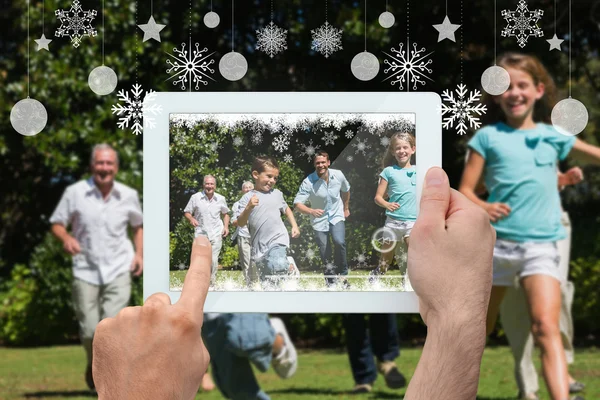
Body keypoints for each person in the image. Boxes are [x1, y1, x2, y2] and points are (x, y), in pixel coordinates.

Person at [92, 167, 496, 400]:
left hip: (266, 248)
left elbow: (287, 209)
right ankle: (270, 335)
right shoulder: (227, 200)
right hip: (228, 255)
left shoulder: (281, 192)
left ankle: (272, 333)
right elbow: (245, 220)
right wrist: (455, 319)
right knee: (228, 356)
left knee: (241, 313)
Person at [459, 52, 600, 400]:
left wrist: (562, 180)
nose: (514, 93)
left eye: (522, 85)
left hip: (542, 247)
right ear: (495, 94)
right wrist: (483, 204)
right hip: (498, 249)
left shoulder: (554, 136)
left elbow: (590, 156)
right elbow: (464, 191)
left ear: (538, 91)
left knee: (546, 328)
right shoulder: (487, 139)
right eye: (505, 86)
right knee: (480, 329)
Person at [49, 143, 143, 391]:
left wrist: (140, 255)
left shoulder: (128, 195)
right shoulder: (75, 192)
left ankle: (108, 381)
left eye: (109, 163)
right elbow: (57, 223)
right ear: (92, 166)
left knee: (110, 328)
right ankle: (93, 363)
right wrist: (66, 238)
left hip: (119, 267)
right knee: (90, 329)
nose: (104, 168)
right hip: (85, 268)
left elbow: (138, 226)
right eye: (100, 163)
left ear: (116, 167)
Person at [500, 167, 585, 400]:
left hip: (551, 223)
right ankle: (528, 387)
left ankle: (562, 372)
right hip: (509, 225)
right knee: (516, 303)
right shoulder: (491, 140)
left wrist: (563, 179)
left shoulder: (543, 138)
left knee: (556, 295)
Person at [237, 156, 300, 287]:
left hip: (278, 239)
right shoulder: (247, 198)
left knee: (276, 264)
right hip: (259, 246)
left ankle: (287, 265)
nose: (272, 180)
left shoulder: (277, 194)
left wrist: (294, 225)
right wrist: (249, 207)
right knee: (268, 284)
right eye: (269, 176)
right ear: (255, 174)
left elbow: (286, 209)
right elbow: (241, 223)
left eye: (275, 178)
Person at [202, 313, 298, 399]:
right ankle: (268, 332)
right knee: (237, 390)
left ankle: (278, 345)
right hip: (209, 318)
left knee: (250, 338)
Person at [293, 151, 351, 287]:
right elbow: (297, 204)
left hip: (336, 215)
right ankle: (330, 281)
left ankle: (342, 276)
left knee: (339, 241)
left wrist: (346, 208)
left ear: (328, 163)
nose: (321, 165)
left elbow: (346, 190)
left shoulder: (338, 175)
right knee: (325, 251)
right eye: (318, 163)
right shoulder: (309, 182)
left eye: (323, 162)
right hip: (319, 220)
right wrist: (311, 211)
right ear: (314, 164)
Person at [370, 132, 417, 288]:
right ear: (392, 151)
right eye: (398, 148)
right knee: (386, 261)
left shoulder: (420, 171)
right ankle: (377, 273)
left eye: (405, 147)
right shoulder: (389, 171)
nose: (401, 151)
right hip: (393, 222)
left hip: (413, 222)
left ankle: (408, 283)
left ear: (413, 149)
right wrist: (387, 204)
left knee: (414, 255)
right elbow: (378, 197)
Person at [183, 175, 230, 286]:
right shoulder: (195, 197)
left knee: (213, 260)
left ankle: (211, 283)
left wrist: (226, 227)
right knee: (199, 259)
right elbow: (187, 212)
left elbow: (226, 214)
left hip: (216, 232)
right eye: (207, 184)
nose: (209, 186)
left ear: (215, 186)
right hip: (201, 233)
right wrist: (191, 219)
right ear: (203, 185)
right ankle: (198, 283)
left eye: (212, 184)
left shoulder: (221, 198)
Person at [231, 181, 260, 288]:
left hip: (257, 235)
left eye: (250, 187)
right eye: (245, 188)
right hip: (243, 235)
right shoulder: (237, 204)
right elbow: (234, 221)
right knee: (246, 263)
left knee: (257, 261)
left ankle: (258, 283)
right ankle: (250, 285)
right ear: (242, 190)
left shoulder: (259, 202)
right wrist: (242, 219)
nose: (247, 189)